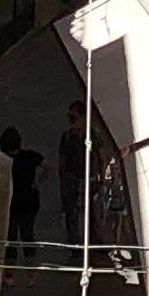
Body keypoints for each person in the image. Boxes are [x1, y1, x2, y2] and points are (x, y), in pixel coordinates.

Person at [0, 123, 43, 255]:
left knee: (10, 238)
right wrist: (37, 182)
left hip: (12, 203)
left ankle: (8, 273)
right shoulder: (29, 156)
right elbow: (48, 166)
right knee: (27, 236)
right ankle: (30, 272)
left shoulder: (4, 160)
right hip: (30, 201)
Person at [56, 99, 90, 252]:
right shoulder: (67, 137)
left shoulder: (91, 136)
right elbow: (62, 160)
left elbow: (101, 157)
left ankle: (91, 245)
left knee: (89, 214)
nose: (71, 122)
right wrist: (62, 181)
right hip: (71, 180)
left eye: (74, 118)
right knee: (71, 214)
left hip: (88, 180)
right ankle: (75, 248)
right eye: (69, 118)